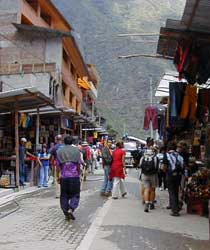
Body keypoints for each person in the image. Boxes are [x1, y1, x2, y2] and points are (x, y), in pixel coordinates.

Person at [56, 136, 82, 220]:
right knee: (75, 194)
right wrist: (79, 173)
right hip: (74, 176)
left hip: (64, 177)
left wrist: (58, 176)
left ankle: (65, 211)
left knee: (64, 195)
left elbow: (58, 166)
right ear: (72, 142)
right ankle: (71, 208)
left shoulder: (59, 151)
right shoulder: (76, 151)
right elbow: (78, 164)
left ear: (64, 142)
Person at [162, 142, 184, 216]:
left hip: (170, 175)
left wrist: (165, 171)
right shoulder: (179, 155)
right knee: (176, 191)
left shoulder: (167, 155)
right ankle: (176, 206)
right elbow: (183, 166)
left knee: (171, 192)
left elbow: (164, 167)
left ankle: (175, 211)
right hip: (178, 176)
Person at [139, 146, 159, 212]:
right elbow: (157, 167)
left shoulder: (143, 157)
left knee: (146, 189)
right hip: (153, 175)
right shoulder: (155, 158)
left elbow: (140, 165)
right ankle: (152, 203)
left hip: (144, 175)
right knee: (153, 190)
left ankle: (146, 203)